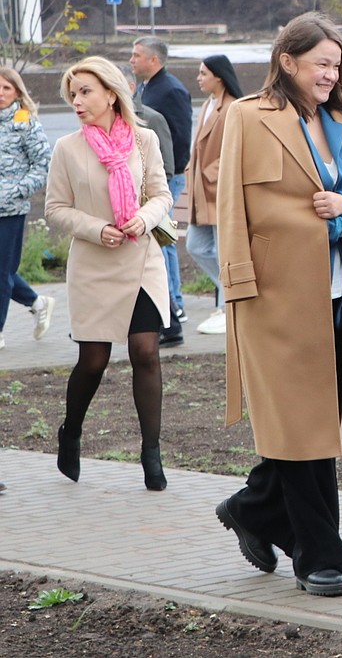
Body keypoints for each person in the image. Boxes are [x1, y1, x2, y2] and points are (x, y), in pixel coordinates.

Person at [214, 12, 342, 598]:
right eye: (321, 64)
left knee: (314, 423)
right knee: (304, 425)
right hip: (271, 299)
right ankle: (319, 554)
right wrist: (235, 286)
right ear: (288, 62)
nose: (331, 75)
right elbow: (230, 204)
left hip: (338, 294)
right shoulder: (247, 117)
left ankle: (254, 507)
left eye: (337, 65)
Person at [44, 56, 174, 491]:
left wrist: (143, 217)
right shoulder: (67, 148)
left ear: (111, 93)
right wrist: (97, 229)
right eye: (73, 94)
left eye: (85, 92)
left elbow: (161, 194)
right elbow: (55, 210)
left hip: (141, 259)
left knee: (145, 351)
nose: (76, 101)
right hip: (94, 265)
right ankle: (72, 431)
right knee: (93, 360)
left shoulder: (144, 140)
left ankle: (151, 454)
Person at [130, 35, 192, 343]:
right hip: (154, 177)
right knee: (161, 240)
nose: (132, 60)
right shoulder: (146, 88)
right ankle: (172, 302)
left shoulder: (171, 91)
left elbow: (179, 138)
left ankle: (174, 304)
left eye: (137, 55)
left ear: (154, 60)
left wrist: (166, 178)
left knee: (163, 239)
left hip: (166, 178)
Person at [185, 54, 243, 336]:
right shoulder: (208, 104)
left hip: (219, 189)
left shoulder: (232, 107)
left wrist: (212, 172)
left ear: (218, 76)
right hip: (201, 190)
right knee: (195, 246)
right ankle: (229, 293)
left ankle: (228, 306)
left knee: (223, 252)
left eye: (203, 73)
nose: (199, 78)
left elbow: (238, 149)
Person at [0, 67, 54, 350]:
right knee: (3, 271)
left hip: (9, 210)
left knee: (1, 273)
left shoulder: (26, 123)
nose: (0, 94)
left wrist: (16, 191)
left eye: (6, 88)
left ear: (17, 92)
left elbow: (43, 165)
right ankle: (37, 302)